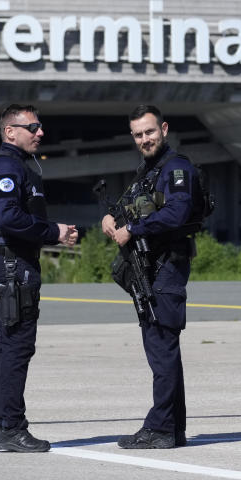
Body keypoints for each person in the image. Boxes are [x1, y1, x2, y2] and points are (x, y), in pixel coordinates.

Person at [101, 104, 203, 449]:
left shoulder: (176, 168)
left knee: (162, 349)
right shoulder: (149, 169)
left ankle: (160, 427)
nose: (145, 139)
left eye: (150, 131)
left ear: (164, 129)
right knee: (163, 351)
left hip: (166, 267)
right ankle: (171, 428)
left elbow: (176, 213)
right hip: (151, 267)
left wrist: (134, 228)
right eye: (139, 135)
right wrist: (111, 218)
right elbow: (130, 204)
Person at [0, 104, 78, 453]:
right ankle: (11, 427)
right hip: (13, 264)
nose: (40, 133)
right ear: (10, 132)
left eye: (40, 127)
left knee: (6, 345)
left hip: (15, 262)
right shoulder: (6, 166)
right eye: (32, 127)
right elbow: (7, 216)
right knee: (16, 347)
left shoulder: (19, 166)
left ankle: (0, 425)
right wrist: (53, 231)